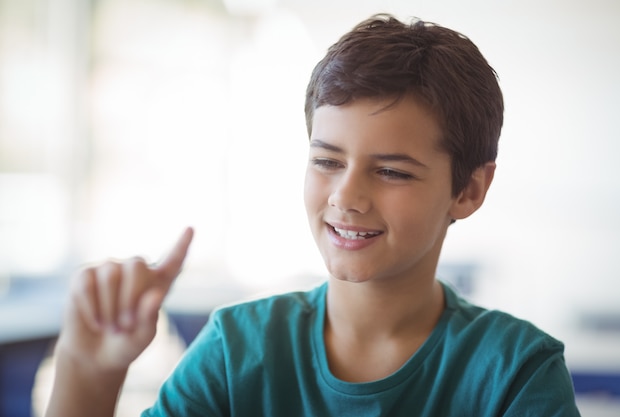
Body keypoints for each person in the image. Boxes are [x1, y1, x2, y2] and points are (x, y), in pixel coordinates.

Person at [45, 13, 581, 417]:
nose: (346, 196)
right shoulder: (238, 350)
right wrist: (88, 370)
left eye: (392, 171)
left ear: (468, 189)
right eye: (327, 160)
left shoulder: (516, 374)